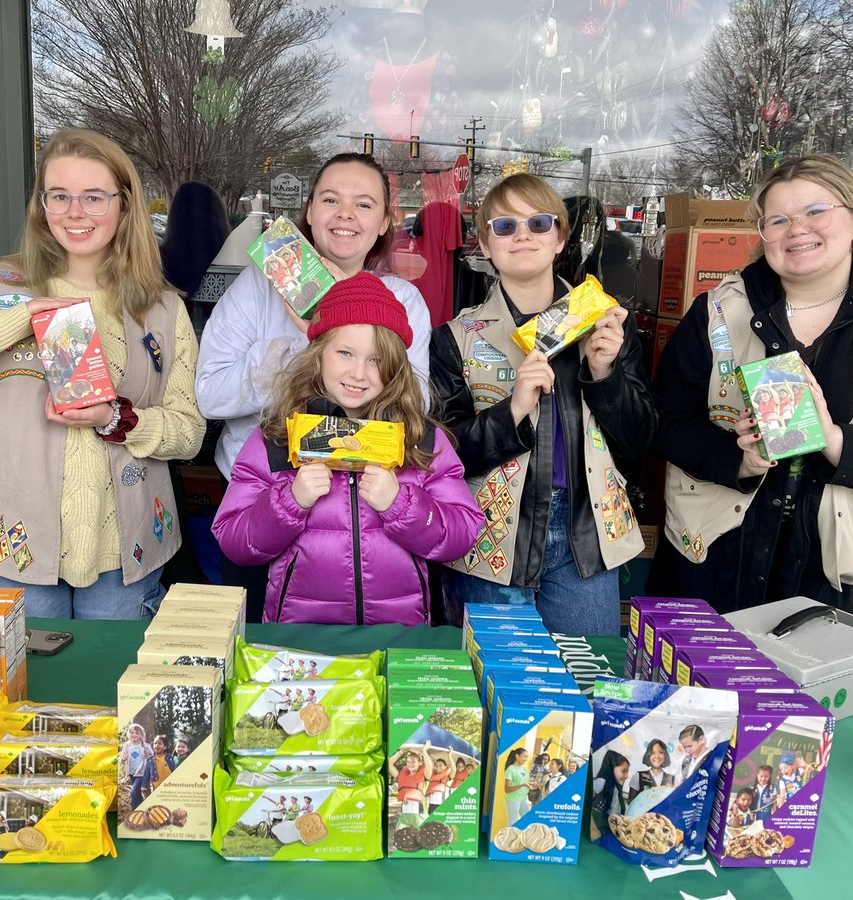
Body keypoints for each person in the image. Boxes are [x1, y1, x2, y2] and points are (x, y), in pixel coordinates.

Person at [0, 128, 206, 620]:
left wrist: (119, 419)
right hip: (10, 546)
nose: (75, 212)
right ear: (42, 206)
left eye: (94, 197)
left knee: (109, 690)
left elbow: (190, 433)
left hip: (123, 555)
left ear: (124, 205)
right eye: (60, 196)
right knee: (17, 694)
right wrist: (15, 319)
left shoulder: (163, 309)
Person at [648, 153, 853, 614]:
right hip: (711, 549)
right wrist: (739, 460)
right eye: (778, 220)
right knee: (694, 681)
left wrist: (834, 439)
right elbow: (666, 420)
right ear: (764, 235)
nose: (797, 229)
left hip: (827, 563)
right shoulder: (717, 311)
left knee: (800, 684)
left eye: (816, 211)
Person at [196, 152, 432, 622]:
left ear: (385, 222)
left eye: (364, 204)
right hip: (262, 504)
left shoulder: (403, 300)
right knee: (262, 656)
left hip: (369, 519)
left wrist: (332, 335)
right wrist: (300, 344)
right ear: (309, 211)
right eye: (330, 199)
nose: (345, 214)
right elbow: (209, 394)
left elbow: (415, 412)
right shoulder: (257, 286)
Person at [430, 174, 655, 635]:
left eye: (538, 222)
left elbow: (641, 441)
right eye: (505, 226)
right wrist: (510, 411)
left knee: (586, 682)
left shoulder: (606, 325)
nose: (523, 235)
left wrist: (604, 374)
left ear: (560, 239)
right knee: (494, 689)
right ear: (485, 246)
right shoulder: (456, 337)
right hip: (489, 538)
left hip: (586, 535)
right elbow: (443, 455)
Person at [211, 275, 483, 625]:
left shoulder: (420, 439)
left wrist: (401, 505)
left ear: (395, 367)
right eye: (345, 353)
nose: (358, 372)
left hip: (398, 634)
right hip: (300, 639)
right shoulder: (277, 439)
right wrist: (290, 500)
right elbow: (235, 541)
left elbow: (462, 533)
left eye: (375, 359)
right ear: (318, 354)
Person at [591, 750, 630, 836]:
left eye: (627, 771)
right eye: (623, 771)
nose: (627, 776)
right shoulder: (600, 782)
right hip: (600, 831)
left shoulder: (616, 787)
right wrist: (595, 830)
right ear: (612, 768)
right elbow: (586, 805)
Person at [627, 738, 675, 802]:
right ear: (648, 755)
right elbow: (631, 803)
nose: (657, 756)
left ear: (665, 755)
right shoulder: (638, 776)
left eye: (660, 752)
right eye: (653, 753)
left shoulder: (672, 779)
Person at [119, 722, 153, 809]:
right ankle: (142, 808)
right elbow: (122, 758)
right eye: (132, 732)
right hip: (131, 773)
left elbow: (152, 757)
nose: (134, 734)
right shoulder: (127, 746)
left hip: (142, 773)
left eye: (136, 733)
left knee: (133, 791)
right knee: (137, 792)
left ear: (141, 735)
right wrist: (123, 759)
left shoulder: (145, 746)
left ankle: (134, 811)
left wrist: (147, 755)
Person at [389, 745, 430, 816]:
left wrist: (424, 751)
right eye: (408, 762)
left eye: (413, 761)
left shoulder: (425, 775)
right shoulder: (401, 775)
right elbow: (389, 764)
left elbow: (429, 766)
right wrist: (401, 752)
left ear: (420, 763)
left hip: (418, 809)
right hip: (405, 808)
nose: (410, 764)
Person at [503, 747, 532, 826]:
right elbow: (507, 789)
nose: (526, 759)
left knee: (527, 820)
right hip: (512, 799)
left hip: (523, 798)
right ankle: (510, 838)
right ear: (517, 756)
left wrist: (532, 785)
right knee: (513, 822)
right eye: (524, 756)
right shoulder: (510, 769)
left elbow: (525, 782)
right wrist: (522, 785)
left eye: (527, 757)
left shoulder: (524, 769)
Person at [425, 747, 455, 813]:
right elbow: (429, 765)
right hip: (431, 805)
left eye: (441, 765)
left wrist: (449, 755)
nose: (438, 767)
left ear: (445, 766)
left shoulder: (448, 777)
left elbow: (454, 769)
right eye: (437, 765)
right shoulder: (432, 776)